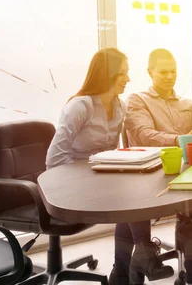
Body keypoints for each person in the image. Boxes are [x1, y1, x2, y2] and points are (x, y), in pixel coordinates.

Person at [44, 49, 166, 285]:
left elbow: (113, 152)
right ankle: (140, 256)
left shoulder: (118, 106)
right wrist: (88, 174)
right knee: (132, 196)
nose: (128, 79)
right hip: (73, 183)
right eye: (122, 74)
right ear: (105, 75)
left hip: (102, 179)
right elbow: (53, 158)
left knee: (136, 191)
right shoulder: (80, 106)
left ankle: (122, 272)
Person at [125, 48, 192, 285]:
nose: (169, 76)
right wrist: (180, 139)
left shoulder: (190, 104)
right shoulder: (137, 100)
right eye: (163, 72)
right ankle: (190, 259)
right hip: (152, 176)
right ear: (150, 72)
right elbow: (143, 135)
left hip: (187, 172)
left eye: (173, 71)